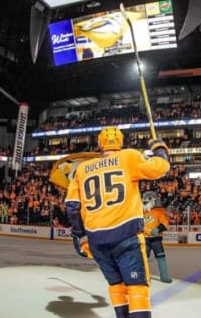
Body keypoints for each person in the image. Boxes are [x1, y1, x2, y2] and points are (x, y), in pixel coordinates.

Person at [65, 126, 170, 318]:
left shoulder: (82, 169)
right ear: (120, 142)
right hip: (126, 234)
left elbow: (72, 206)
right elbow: (160, 168)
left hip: (97, 240)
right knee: (137, 289)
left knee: (116, 286)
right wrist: (159, 149)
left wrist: (80, 235)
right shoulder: (128, 157)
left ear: (99, 144)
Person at [142, 191, 172, 283]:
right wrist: (147, 231)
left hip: (156, 239)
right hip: (145, 239)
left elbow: (165, 223)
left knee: (161, 257)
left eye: (149, 199)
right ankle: (144, 277)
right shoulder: (140, 212)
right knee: (144, 259)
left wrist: (158, 229)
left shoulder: (159, 211)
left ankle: (164, 275)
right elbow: (138, 224)